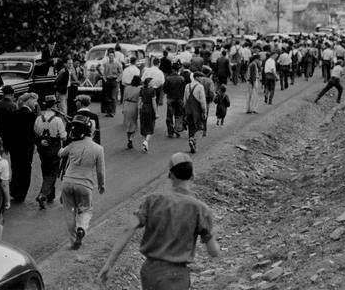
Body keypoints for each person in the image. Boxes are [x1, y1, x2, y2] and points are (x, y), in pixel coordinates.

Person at [99, 152, 220, 288]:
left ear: (170, 175)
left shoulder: (153, 200)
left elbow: (129, 228)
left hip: (149, 271)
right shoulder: (201, 209)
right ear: (192, 176)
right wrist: (213, 234)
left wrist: (109, 264)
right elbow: (213, 252)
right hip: (176, 276)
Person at [59, 115, 105, 250]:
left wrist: (63, 147)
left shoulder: (73, 144)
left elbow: (61, 154)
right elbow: (100, 171)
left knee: (69, 211)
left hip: (68, 181)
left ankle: (73, 241)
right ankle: (81, 229)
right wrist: (101, 185)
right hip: (85, 184)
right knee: (86, 209)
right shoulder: (98, 149)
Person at [34, 95, 67, 209]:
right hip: (54, 148)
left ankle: (50, 195)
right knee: (52, 173)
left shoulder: (39, 119)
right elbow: (63, 137)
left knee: (45, 170)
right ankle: (43, 195)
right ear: (54, 106)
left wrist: (41, 140)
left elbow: (36, 134)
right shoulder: (58, 120)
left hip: (43, 149)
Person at [9, 92, 38, 202]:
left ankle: (14, 190)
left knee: (15, 168)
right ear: (28, 101)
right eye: (35, 100)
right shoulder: (31, 115)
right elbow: (32, 133)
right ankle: (21, 194)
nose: (36, 103)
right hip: (26, 148)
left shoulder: (14, 113)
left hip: (15, 147)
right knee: (25, 170)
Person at [184, 72, 207, 153]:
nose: (202, 78)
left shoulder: (187, 86)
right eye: (201, 77)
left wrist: (185, 111)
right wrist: (204, 112)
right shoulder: (200, 87)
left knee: (191, 127)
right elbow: (203, 102)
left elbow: (185, 100)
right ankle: (193, 140)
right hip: (197, 110)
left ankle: (191, 141)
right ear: (196, 77)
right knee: (199, 128)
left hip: (189, 110)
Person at [0, 85, 17, 154]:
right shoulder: (14, 106)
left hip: (0, 133)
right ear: (12, 94)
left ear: (3, 93)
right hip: (11, 134)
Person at [163, 63, 185, 138]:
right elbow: (184, 89)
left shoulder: (168, 78)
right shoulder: (182, 78)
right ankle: (176, 128)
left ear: (172, 69)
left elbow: (164, 89)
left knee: (169, 116)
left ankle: (170, 132)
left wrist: (169, 92)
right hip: (179, 99)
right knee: (179, 115)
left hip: (170, 98)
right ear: (178, 69)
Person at [139, 78, 158, 152]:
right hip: (150, 109)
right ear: (149, 83)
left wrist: (139, 110)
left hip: (143, 108)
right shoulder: (153, 90)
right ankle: (146, 141)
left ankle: (145, 143)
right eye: (152, 82)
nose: (153, 83)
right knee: (150, 127)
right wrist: (156, 112)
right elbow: (154, 102)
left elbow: (140, 101)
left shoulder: (142, 89)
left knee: (144, 126)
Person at [122, 75, 141, 149]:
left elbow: (123, 98)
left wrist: (123, 108)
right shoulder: (139, 90)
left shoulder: (127, 88)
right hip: (134, 105)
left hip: (126, 104)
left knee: (127, 123)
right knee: (134, 123)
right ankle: (131, 139)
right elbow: (139, 100)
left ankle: (128, 139)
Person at [102, 50, 123, 117]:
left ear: (114, 56)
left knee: (113, 97)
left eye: (112, 56)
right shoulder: (106, 64)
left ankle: (113, 112)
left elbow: (121, 73)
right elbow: (104, 73)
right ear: (108, 56)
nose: (111, 57)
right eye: (110, 56)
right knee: (107, 97)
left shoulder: (117, 64)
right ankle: (109, 111)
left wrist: (118, 80)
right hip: (108, 81)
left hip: (114, 81)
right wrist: (105, 80)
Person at [194, 69, 215, 137]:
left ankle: (197, 129)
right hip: (206, 100)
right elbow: (211, 92)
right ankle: (204, 131)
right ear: (209, 74)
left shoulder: (198, 80)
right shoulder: (210, 81)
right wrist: (211, 100)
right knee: (205, 115)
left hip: (197, 99)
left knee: (197, 114)